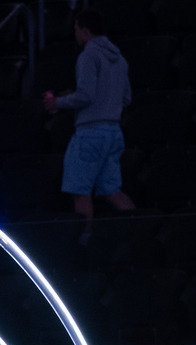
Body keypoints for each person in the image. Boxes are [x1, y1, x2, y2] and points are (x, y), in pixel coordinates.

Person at [43, 8, 134, 243]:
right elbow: (125, 98)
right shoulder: (120, 58)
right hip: (113, 132)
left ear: (84, 30)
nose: (75, 34)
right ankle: (138, 237)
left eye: (75, 30)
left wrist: (57, 102)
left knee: (80, 191)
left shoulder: (88, 56)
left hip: (90, 133)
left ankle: (84, 245)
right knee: (112, 190)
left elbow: (85, 96)